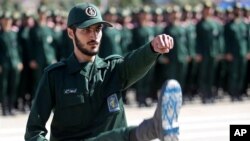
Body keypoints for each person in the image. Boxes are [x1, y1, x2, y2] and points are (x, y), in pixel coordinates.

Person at [25, 3, 181, 141]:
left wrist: (153, 48)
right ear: (71, 33)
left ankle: (154, 127)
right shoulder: (55, 76)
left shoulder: (113, 70)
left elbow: (134, 62)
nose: (94, 36)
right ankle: (153, 127)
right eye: (86, 30)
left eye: (98, 29)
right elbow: (34, 130)